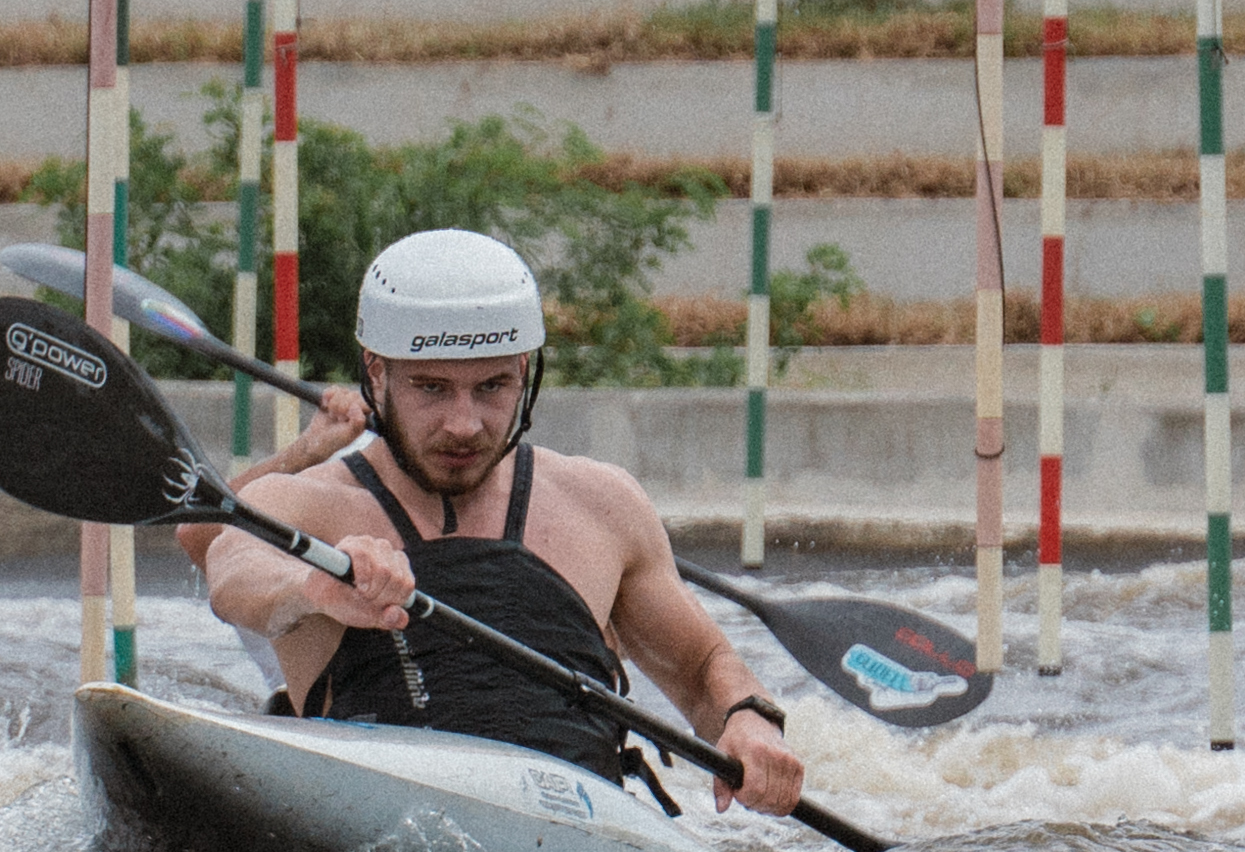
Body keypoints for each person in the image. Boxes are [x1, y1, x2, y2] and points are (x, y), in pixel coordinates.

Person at [191, 229, 808, 816]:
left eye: (492, 387)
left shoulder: (604, 504)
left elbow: (700, 668)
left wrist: (747, 718)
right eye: (432, 388)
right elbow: (233, 568)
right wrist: (313, 587)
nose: (465, 423)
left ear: (526, 374)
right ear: (376, 375)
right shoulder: (306, 506)